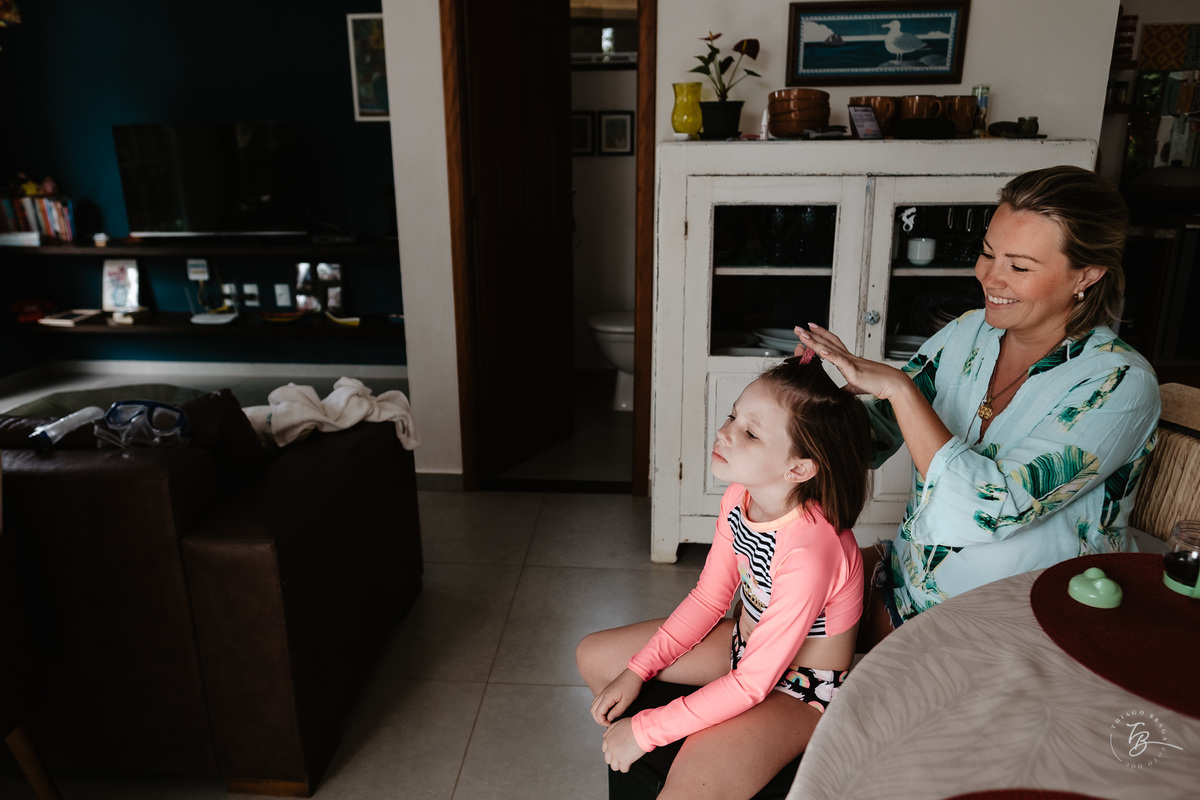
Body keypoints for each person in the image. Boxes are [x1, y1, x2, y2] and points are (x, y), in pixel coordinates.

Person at [794, 165, 1161, 648]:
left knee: (778, 652)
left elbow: (992, 511)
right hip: (907, 583)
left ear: (1087, 275)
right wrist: (795, 417)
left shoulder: (1118, 383)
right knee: (759, 603)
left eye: (1020, 266)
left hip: (1014, 623)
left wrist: (900, 388)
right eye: (988, 253)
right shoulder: (971, 331)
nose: (990, 276)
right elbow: (875, 432)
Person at [575, 352, 870, 799]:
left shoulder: (811, 549)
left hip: (799, 689)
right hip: (744, 649)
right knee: (595, 656)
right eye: (733, 415)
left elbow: (755, 682)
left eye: (749, 432)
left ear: (798, 468)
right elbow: (709, 600)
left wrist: (647, 729)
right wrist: (638, 670)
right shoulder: (740, 497)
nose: (724, 432)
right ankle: (684, 750)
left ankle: (696, 758)